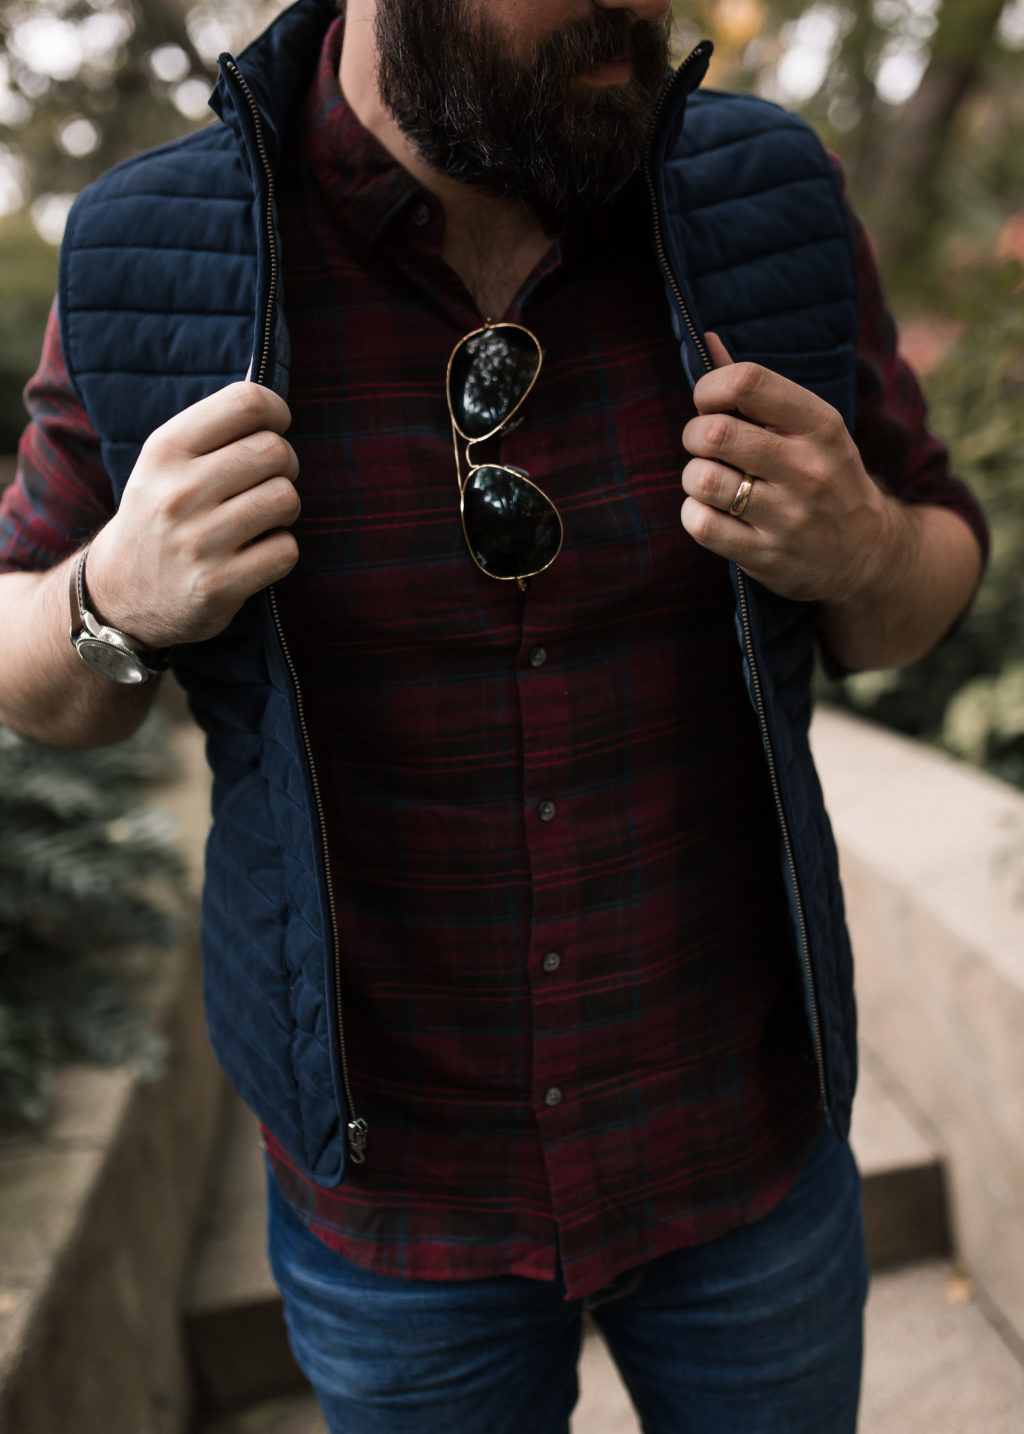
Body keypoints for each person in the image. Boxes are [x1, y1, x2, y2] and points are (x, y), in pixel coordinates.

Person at [0, 0, 987, 1429]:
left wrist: (869, 552)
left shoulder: (762, 191)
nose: (635, 15)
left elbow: (934, 553)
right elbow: (29, 654)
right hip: (398, 1216)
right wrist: (113, 591)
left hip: (744, 1151)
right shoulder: (153, 246)